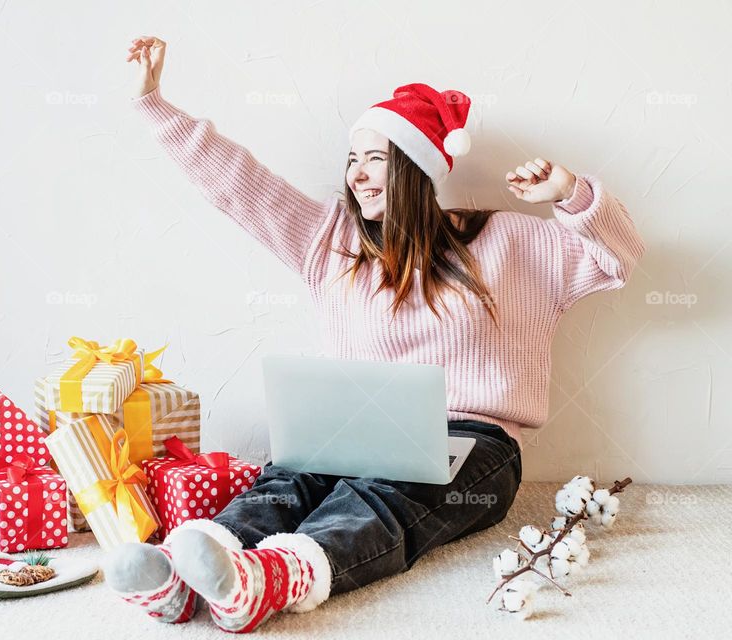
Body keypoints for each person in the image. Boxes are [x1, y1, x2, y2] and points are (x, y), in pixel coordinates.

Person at [103, 36, 646, 633]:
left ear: (416, 167)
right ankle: (184, 575)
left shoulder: (507, 241)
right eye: (351, 160)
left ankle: (271, 577)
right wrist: (153, 103)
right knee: (290, 478)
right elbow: (239, 184)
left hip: (474, 446)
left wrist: (569, 194)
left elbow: (618, 257)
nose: (357, 175)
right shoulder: (329, 240)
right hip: (351, 431)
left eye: (376, 159)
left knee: (385, 491)